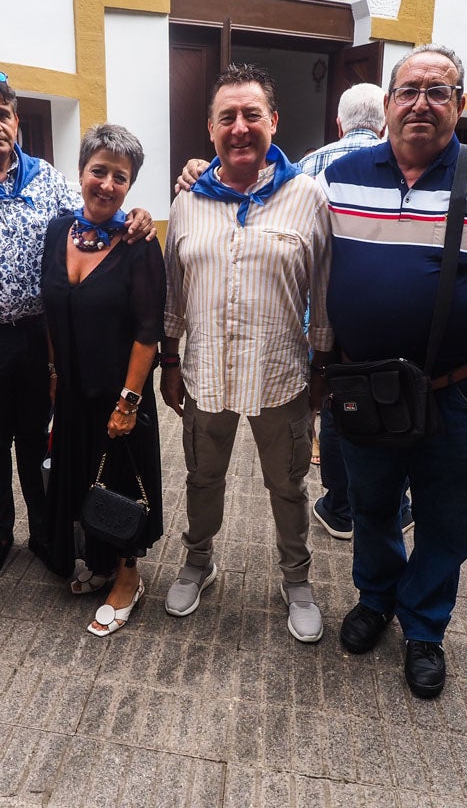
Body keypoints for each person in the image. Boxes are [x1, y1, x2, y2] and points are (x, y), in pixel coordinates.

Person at [318, 45, 467, 700]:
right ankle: (375, 599)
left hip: (458, 392)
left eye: (438, 91)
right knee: (373, 506)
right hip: (364, 388)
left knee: (448, 520)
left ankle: (424, 627)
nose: (421, 103)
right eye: (408, 90)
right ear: (386, 105)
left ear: (459, 106)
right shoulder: (342, 176)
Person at [0, 67, 153, 584]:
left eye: (3, 114)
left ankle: (45, 532)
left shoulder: (45, 178)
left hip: (42, 335)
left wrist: (137, 218)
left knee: (37, 435)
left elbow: (93, 221)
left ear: (17, 120)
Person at [161, 63, 333, 644]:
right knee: (202, 477)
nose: (240, 127)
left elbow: (324, 291)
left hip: (281, 375)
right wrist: (170, 361)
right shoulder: (187, 203)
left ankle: (297, 579)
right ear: (210, 129)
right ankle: (198, 561)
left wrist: (322, 364)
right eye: (227, 117)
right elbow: (173, 292)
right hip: (206, 371)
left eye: (251, 114)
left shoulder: (307, 197)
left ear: (274, 122)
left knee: (287, 484)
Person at [40, 124, 165, 635]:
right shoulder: (56, 231)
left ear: (130, 186)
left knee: (120, 480)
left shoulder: (138, 244)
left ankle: (128, 577)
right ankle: (99, 563)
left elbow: (148, 330)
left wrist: (130, 401)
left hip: (120, 393)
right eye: (99, 171)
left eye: (121, 176)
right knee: (82, 475)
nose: (107, 184)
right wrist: (52, 372)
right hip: (70, 389)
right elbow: (49, 309)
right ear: (81, 172)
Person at [293, 83, 414, 541]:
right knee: (390, 402)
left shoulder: (308, 165)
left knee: (335, 405)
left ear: (339, 122)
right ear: (384, 121)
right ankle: (395, 505)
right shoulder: (401, 164)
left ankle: (341, 506)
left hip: (321, 316)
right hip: (380, 314)